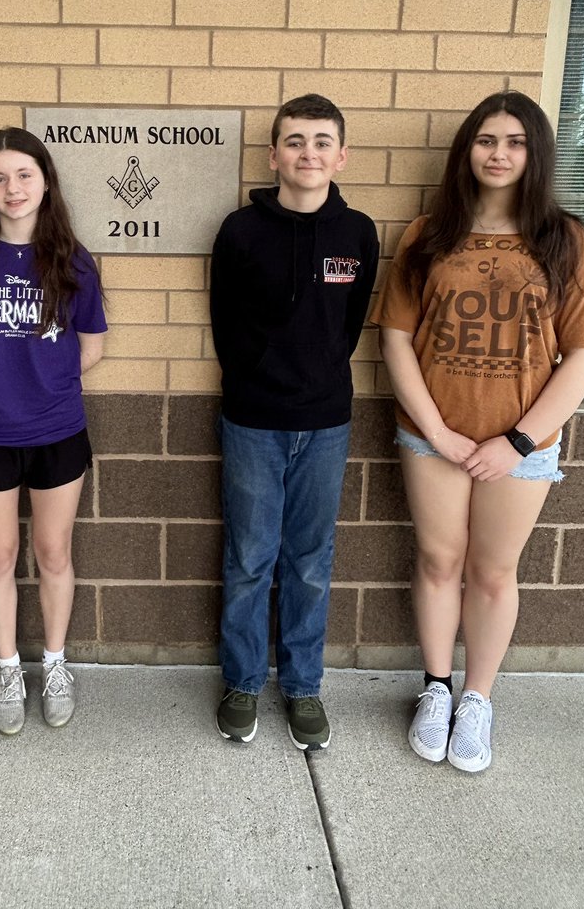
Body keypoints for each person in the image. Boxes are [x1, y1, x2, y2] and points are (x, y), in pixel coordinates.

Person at [373, 91, 584, 773]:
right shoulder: (427, 236)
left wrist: (518, 441)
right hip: (433, 436)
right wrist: (438, 431)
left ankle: (478, 699)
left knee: (494, 571)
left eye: (514, 142)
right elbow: (395, 339)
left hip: (522, 444)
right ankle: (436, 688)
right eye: (486, 140)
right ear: (466, 151)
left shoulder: (566, 239)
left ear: (535, 154)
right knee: (439, 561)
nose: (498, 154)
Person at [210, 94, 379, 749]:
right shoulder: (239, 231)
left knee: (310, 559)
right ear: (274, 155)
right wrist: (258, 380)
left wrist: (319, 377)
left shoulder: (358, 234)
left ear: (342, 156)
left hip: (327, 421)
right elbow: (225, 324)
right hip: (253, 420)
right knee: (250, 557)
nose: (309, 153)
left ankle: (304, 685)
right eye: (295, 141)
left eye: (321, 141)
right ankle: (243, 681)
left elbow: (351, 324)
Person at [0, 127, 106, 736]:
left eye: (24, 175)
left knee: (53, 552)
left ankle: (55, 664)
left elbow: (92, 346)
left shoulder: (72, 259)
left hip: (57, 431)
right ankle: (9, 671)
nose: (13, 188)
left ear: (45, 182)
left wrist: (40, 380)